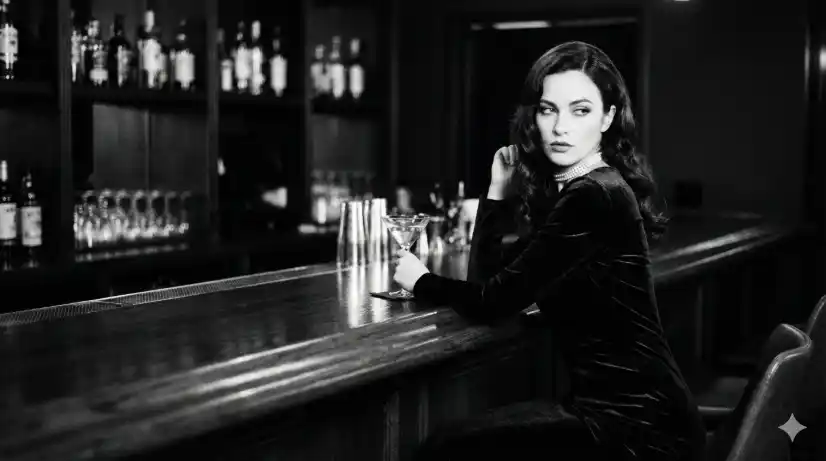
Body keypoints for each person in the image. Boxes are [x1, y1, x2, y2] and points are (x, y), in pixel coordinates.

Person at [392, 41, 707, 460]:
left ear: (608, 118)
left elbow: (493, 302)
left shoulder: (595, 195)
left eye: (580, 111)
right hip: (618, 416)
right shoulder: (581, 191)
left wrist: (420, 281)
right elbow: (488, 283)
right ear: (534, 117)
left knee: (445, 448)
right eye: (548, 109)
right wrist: (498, 192)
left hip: (637, 430)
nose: (560, 128)